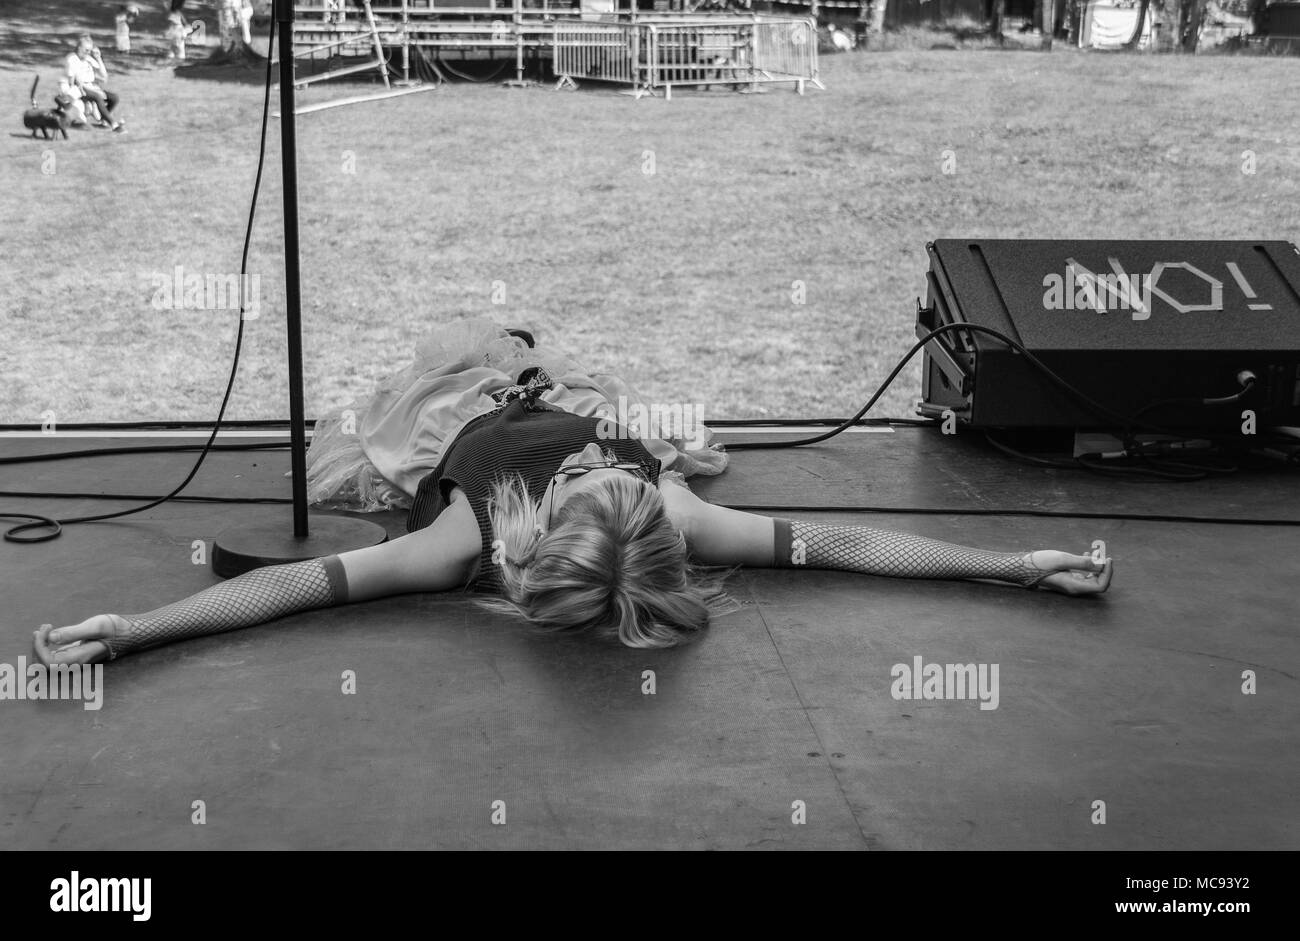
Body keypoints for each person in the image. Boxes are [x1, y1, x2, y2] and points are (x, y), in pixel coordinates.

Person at [32, 320, 1112, 666]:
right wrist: (1006, 563)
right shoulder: (661, 505)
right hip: (540, 392)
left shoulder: (452, 539)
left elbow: (293, 588)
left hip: (452, 415)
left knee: (462, 353)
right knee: (554, 368)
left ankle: (510, 356)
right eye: (611, 470)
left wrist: (134, 628)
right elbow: (837, 542)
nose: (603, 459)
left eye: (601, 471)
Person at [65, 35, 125, 132]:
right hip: (78, 88)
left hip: (91, 86)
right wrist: (93, 90)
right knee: (97, 96)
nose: (88, 53)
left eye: (90, 50)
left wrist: (98, 58)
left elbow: (104, 76)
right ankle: (114, 125)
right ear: (79, 48)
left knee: (114, 98)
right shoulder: (72, 59)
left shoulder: (88, 59)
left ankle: (103, 120)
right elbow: (75, 81)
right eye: (86, 50)